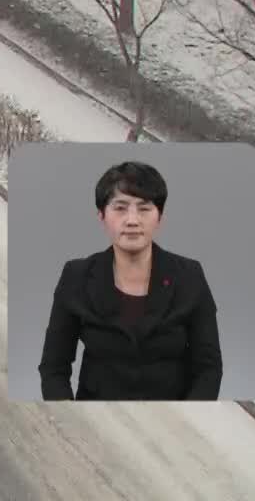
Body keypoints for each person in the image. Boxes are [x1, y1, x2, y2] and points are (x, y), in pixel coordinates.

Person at [38, 160, 222, 400]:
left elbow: (208, 369)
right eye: (120, 208)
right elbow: (53, 367)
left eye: (144, 208)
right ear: (101, 216)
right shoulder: (77, 276)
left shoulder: (189, 276)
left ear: (160, 217)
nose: (132, 220)